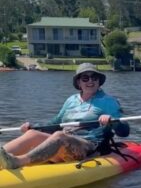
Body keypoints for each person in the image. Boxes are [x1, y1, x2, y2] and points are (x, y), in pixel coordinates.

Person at [0, 63, 129, 169]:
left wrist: (113, 122)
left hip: (88, 146)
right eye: (85, 78)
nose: (90, 81)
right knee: (32, 134)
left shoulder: (108, 101)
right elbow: (56, 122)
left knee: (59, 135)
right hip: (64, 143)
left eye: (94, 77)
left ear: (99, 81)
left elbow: (124, 131)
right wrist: (33, 127)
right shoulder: (71, 100)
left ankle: (18, 162)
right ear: (79, 82)